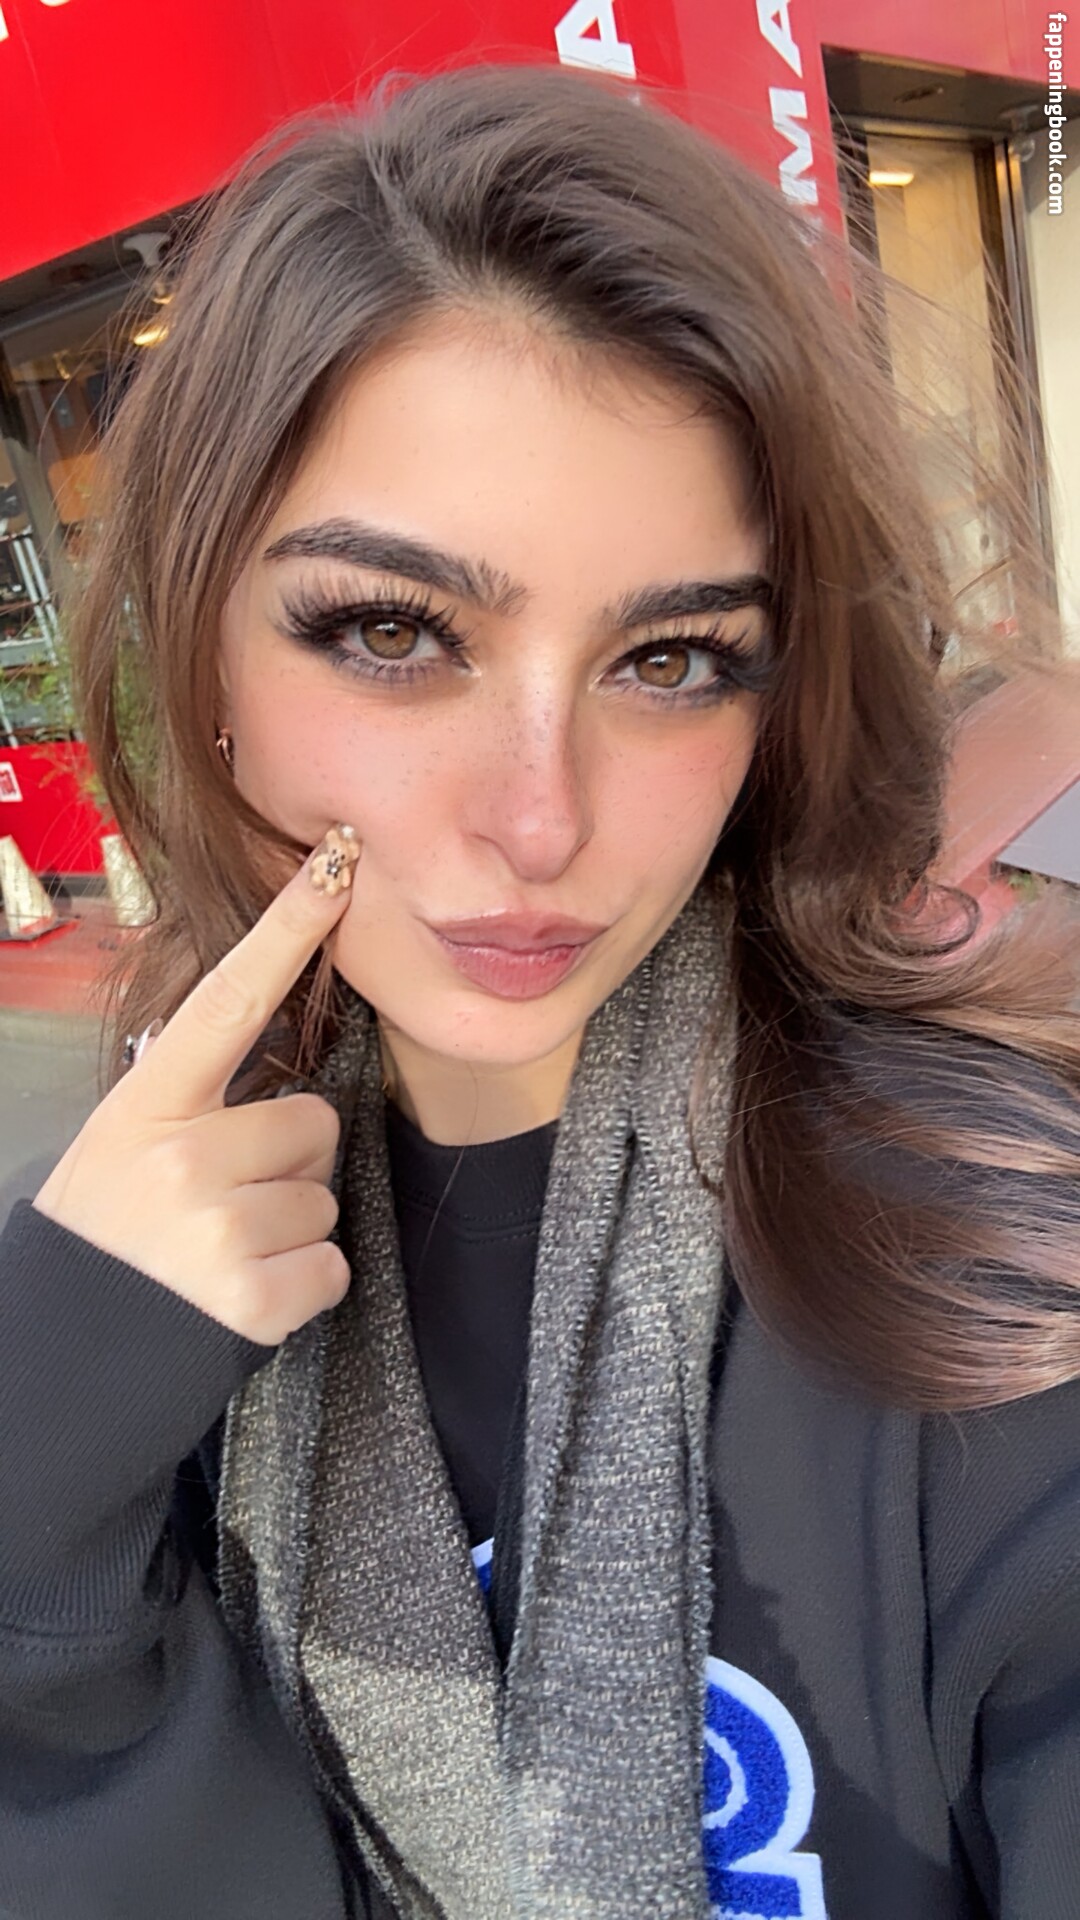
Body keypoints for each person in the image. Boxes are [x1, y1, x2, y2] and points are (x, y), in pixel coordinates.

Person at [1, 60, 1078, 1920]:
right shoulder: (130, 1278)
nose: (539, 819)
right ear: (206, 661)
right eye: (393, 631)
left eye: (670, 659)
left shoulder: (986, 1256)